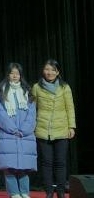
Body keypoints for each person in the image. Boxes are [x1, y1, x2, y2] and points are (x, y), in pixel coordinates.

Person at [31, 59, 76, 198]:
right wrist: (32, 127)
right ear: (43, 71)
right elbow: (32, 109)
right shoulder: (36, 87)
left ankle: (61, 192)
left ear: (57, 72)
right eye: (47, 69)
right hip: (43, 129)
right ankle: (49, 192)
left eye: (52, 70)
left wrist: (71, 126)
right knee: (46, 163)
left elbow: (70, 108)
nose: (49, 72)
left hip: (61, 129)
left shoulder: (65, 87)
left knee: (61, 163)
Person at [0, 63, 37, 198]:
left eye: (17, 73)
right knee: (9, 167)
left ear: (20, 75)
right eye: (12, 73)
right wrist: (12, 129)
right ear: (8, 74)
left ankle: (24, 192)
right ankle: (14, 193)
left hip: (25, 135)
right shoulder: (0, 92)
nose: (15, 75)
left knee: (24, 166)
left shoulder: (27, 92)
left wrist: (24, 130)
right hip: (7, 134)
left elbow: (32, 114)